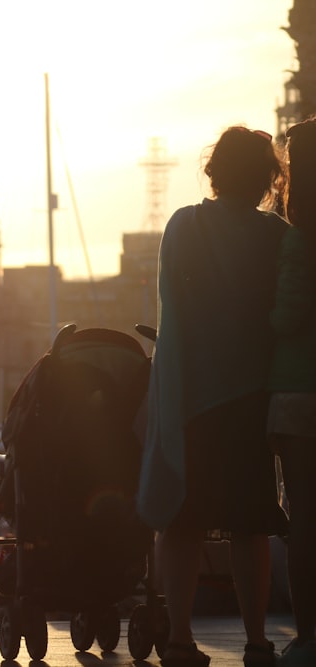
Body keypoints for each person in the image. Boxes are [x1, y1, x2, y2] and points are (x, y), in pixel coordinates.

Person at [137, 126, 290, 667]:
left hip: (194, 397)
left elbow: (170, 314)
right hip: (253, 399)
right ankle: (256, 642)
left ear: (213, 171)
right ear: (267, 179)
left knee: (182, 520)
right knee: (252, 522)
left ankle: (180, 639)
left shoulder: (184, 225)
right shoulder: (277, 235)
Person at [267, 118, 316, 666]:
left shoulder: (299, 241)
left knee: (305, 519)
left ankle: (308, 633)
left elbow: (286, 316)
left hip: (300, 395)